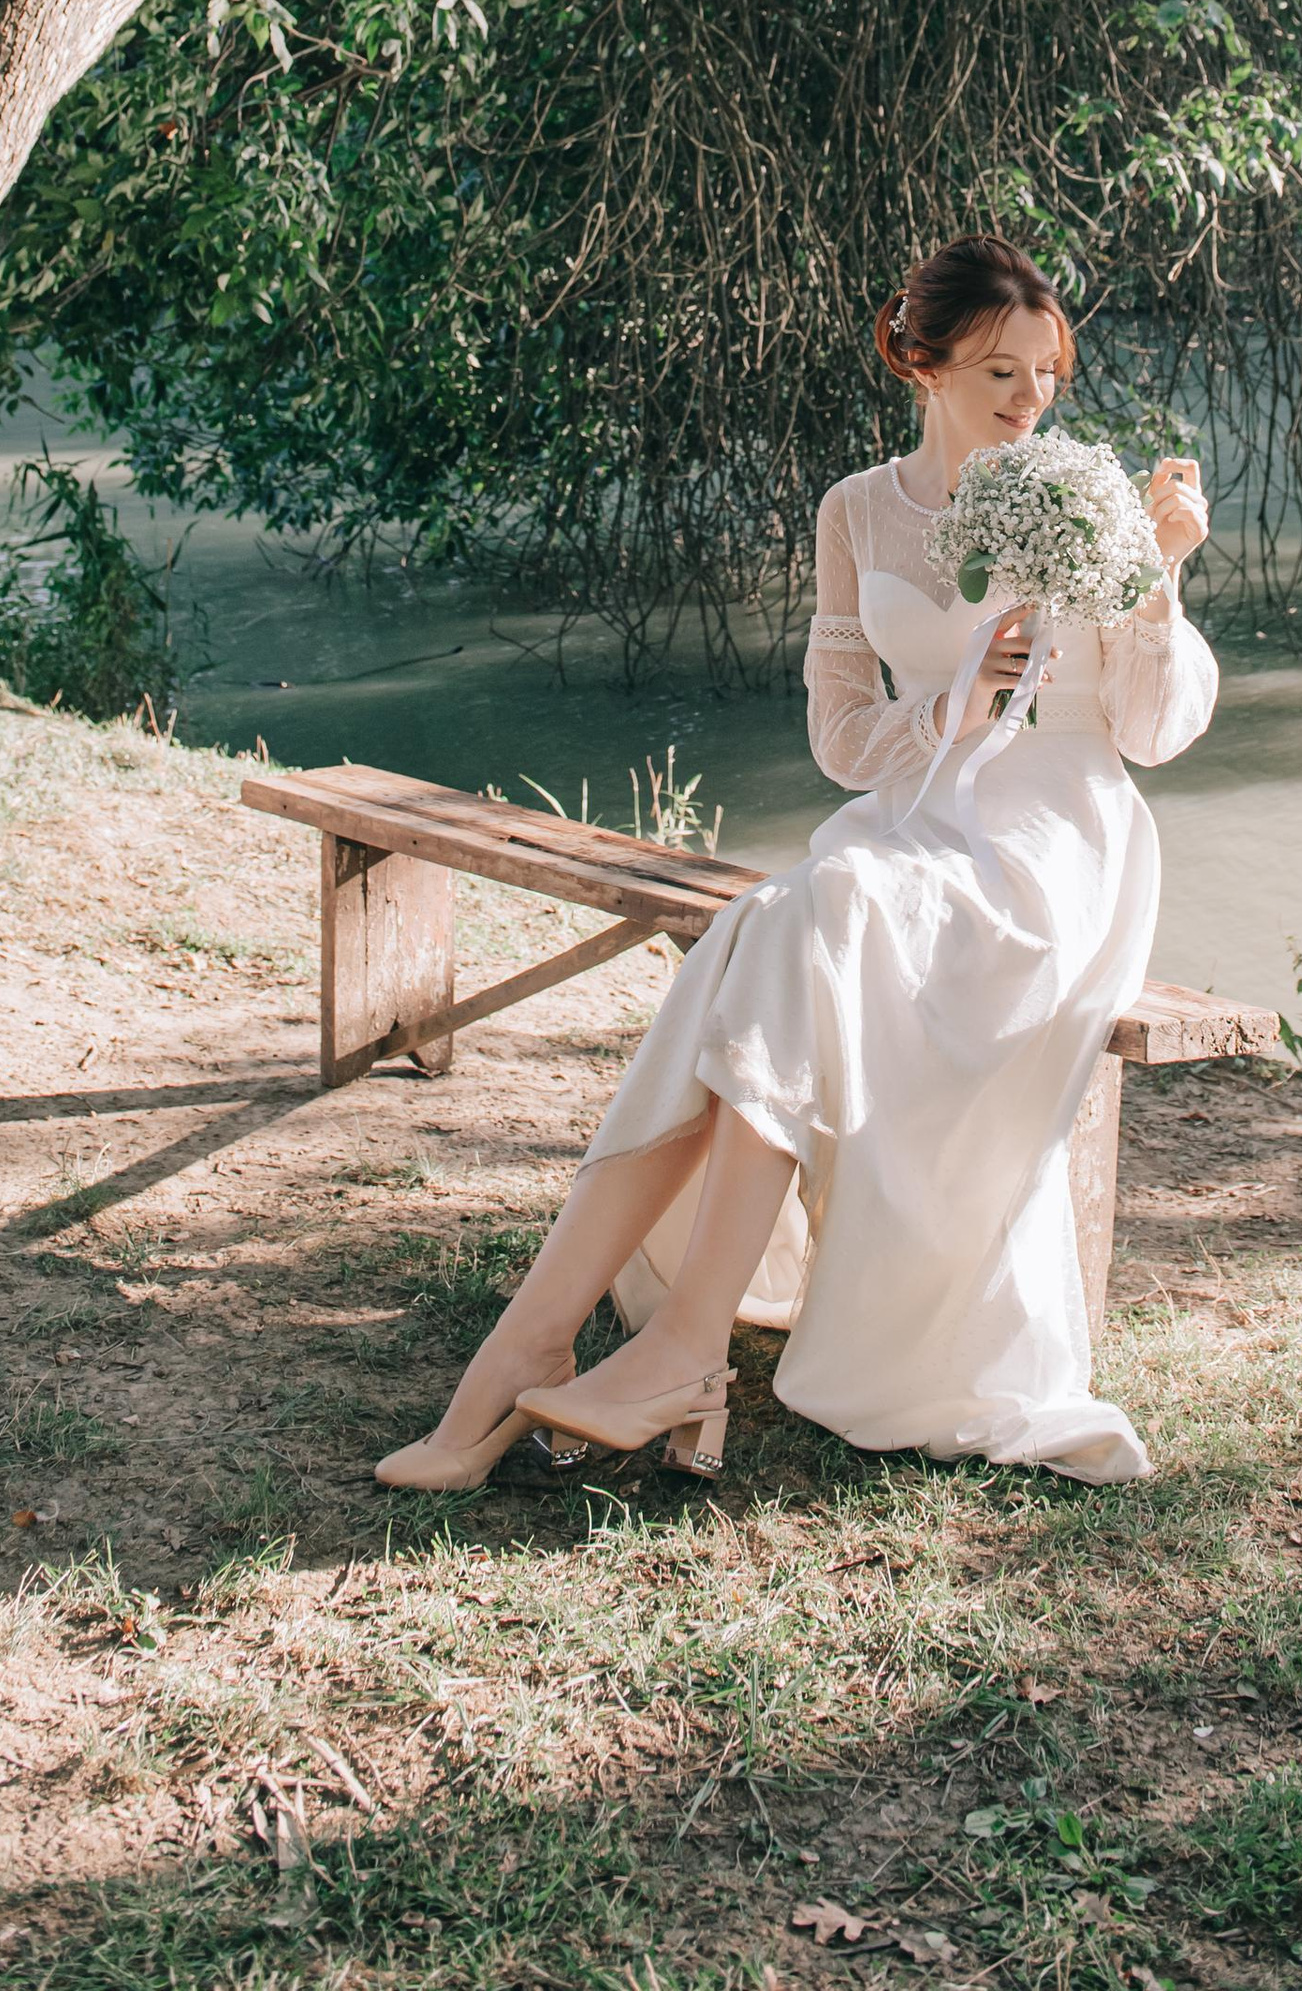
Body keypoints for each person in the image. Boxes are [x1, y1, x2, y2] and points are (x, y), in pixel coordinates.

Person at [374, 234, 1217, 1491]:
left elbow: (1151, 736)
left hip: (1054, 844)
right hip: (911, 822)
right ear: (919, 364)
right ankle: (617, 1344)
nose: (1030, 397)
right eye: (998, 369)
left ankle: (581, 1352)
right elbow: (837, 737)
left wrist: (1157, 580)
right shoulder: (857, 510)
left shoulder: (1086, 502)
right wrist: (953, 709)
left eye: (1046, 372)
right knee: (782, 924)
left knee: (800, 920)